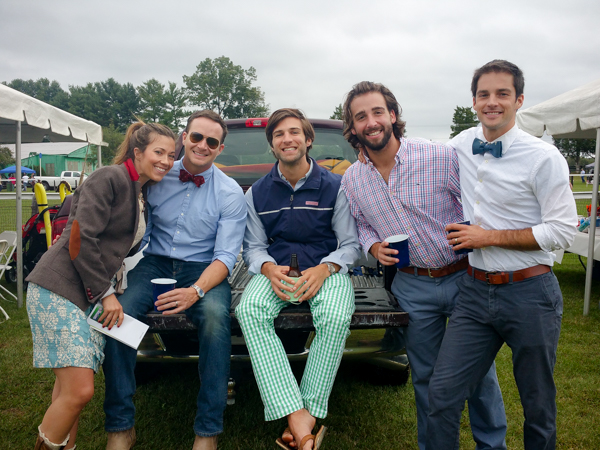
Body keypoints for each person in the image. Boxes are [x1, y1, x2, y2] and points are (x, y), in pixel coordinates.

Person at [340, 81, 507, 450]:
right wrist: (373, 245)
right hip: (412, 285)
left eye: (378, 112)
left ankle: (492, 446)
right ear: (352, 127)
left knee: (479, 374)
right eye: (361, 116)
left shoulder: (438, 156)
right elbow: (361, 223)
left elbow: (477, 202)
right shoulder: (352, 179)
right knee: (426, 377)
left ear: (392, 115)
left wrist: (476, 230)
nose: (371, 122)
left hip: (464, 277)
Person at [426, 60, 578, 450]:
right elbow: (418, 160)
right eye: (484, 94)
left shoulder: (543, 157)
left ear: (519, 100)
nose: (491, 102)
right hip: (475, 294)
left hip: (531, 293)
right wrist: (369, 156)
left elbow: (562, 230)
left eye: (502, 94)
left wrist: (487, 237)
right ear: (474, 101)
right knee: (442, 394)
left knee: (537, 405)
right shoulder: (461, 144)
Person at [25, 121, 177, 450]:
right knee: (80, 391)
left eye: (171, 155)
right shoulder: (109, 177)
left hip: (86, 295)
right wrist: (107, 295)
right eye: (159, 152)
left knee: (68, 392)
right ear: (137, 152)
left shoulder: (139, 191)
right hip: (60, 289)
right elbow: (79, 239)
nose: (166, 161)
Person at [102, 110, 247, 450]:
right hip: (155, 264)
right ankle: (120, 426)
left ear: (220, 148)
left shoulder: (230, 192)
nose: (202, 145)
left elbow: (226, 256)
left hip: (203, 269)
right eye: (196, 137)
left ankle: (207, 431)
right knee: (118, 317)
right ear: (184, 137)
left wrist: (195, 291)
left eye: (212, 141)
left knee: (215, 321)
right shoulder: (157, 176)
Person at [235, 108, 361, 450]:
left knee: (334, 317)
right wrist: (266, 268)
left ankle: (306, 413)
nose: (287, 139)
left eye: (294, 132)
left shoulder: (336, 186)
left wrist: (325, 269)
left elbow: (350, 244)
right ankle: (297, 414)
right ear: (272, 145)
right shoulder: (257, 192)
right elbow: (254, 247)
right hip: (277, 270)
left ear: (308, 140)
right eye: (278, 134)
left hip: (326, 269)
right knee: (250, 311)